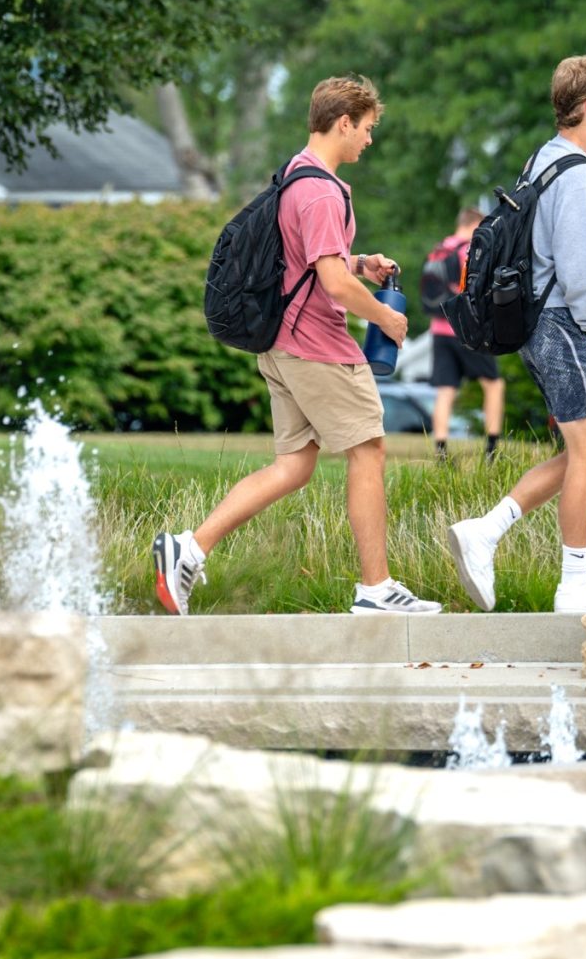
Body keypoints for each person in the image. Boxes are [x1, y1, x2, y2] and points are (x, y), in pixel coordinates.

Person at [153, 75, 440, 616]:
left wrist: (362, 264)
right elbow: (332, 285)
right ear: (343, 123)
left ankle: (188, 550)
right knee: (369, 450)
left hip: (282, 344)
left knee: (294, 466)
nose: (369, 141)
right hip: (317, 347)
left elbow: (311, 263)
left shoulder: (294, 176)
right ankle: (376, 589)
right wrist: (384, 316)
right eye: (368, 129)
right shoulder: (322, 191)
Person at [442, 55, 586, 615]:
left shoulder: (541, 161)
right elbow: (577, 275)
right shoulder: (578, 174)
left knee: (582, 451)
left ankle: (487, 531)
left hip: (536, 322)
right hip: (563, 325)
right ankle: (574, 588)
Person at [425, 206, 504, 463]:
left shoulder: (437, 251)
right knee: (493, 384)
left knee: (445, 390)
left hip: (438, 329)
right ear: (475, 225)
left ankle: (441, 451)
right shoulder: (470, 250)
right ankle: (492, 449)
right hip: (466, 330)